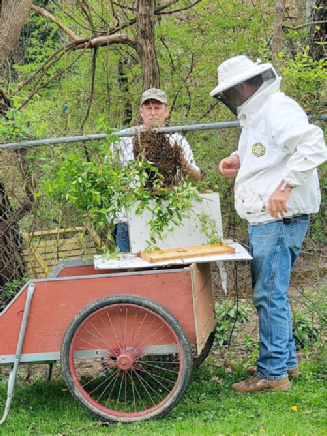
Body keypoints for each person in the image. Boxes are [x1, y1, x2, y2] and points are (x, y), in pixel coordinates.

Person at [210, 55, 326, 393]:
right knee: (273, 292)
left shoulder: (277, 107)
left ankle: (272, 374)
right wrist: (237, 159)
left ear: (245, 85)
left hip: (278, 216)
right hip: (267, 216)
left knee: (267, 294)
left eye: (232, 92)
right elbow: (267, 153)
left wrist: (285, 187)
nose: (231, 99)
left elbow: (312, 144)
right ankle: (285, 361)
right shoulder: (256, 116)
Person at [111, 88, 201, 252]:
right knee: (130, 271)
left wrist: (182, 162)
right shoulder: (122, 139)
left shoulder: (177, 139)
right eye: (148, 108)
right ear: (141, 112)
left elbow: (196, 179)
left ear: (166, 112)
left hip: (166, 215)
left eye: (157, 108)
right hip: (128, 218)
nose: (153, 113)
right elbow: (108, 177)